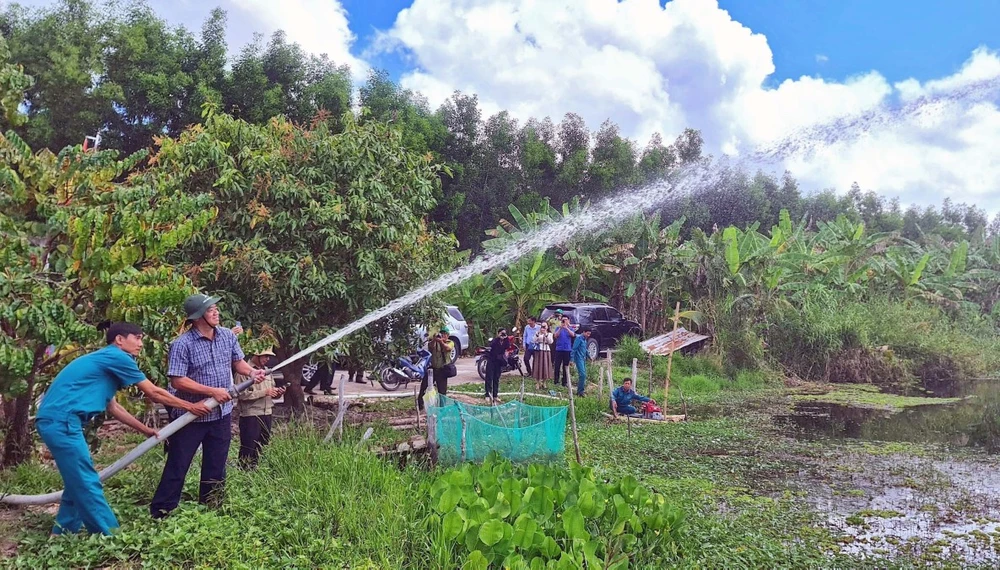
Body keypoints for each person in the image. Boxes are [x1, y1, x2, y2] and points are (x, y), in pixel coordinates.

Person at [35, 322, 212, 536]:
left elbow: (113, 406)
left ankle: (63, 532)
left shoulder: (107, 361)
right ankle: (110, 536)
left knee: (77, 479)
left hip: (60, 421)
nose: (141, 344)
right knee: (86, 480)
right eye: (137, 338)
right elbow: (154, 392)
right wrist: (190, 406)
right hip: (62, 421)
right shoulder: (117, 357)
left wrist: (144, 429)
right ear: (120, 340)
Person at [150, 294, 265, 519]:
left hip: (221, 414)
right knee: (178, 463)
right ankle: (162, 511)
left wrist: (251, 372)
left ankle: (211, 507)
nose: (216, 313)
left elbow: (237, 361)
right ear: (197, 316)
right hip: (191, 415)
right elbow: (178, 380)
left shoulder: (226, 336)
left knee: (217, 463)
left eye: (216, 309)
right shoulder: (182, 344)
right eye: (211, 310)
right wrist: (212, 392)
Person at [236, 348, 284, 469]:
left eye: (269, 356)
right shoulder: (243, 371)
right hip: (251, 415)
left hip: (267, 412)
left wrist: (278, 392)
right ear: (256, 355)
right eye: (265, 356)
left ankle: (257, 470)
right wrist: (265, 392)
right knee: (248, 446)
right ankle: (244, 472)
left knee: (263, 444)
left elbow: (271, 390)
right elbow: (241, 395)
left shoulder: (267, 371)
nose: (267, 359)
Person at [420, 326, 454, 410]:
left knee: (442, 392)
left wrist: (441, 342)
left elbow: (447, 348)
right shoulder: (435, 342)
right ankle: (420, 405)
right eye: (441, 333)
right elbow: (430, 347)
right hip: (433, 369)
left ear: (448, 335)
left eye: (445, 334)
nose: (443, 335)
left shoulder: (450, 342)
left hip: (442, 370)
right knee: (424, 386)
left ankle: (442, 408)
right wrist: (435, 339)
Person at [485, 328, 509, 404]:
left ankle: (495, 395)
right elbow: (492, 345)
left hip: (499, 362)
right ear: (498, 333)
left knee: (496, 379)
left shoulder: (505, 341)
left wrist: (506, 337)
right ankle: (488, 395)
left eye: (504, 333)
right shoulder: (495, 340)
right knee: (489, 378)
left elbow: (508, 346)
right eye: (501, 333)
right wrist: (498, 337)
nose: (502, 335)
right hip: (491, 361)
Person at [552, 316, 576, 387]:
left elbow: (572, 335)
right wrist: (560, 328)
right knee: (557, 366)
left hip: (567, 349)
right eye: (563, 320)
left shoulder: (571, 328)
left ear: (568, 320)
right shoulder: (558, 328)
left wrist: (567, 328)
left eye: (566, 320)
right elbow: (555, 336)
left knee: (565, 366)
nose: (564, 321)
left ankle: (564, 382)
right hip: (559, 349)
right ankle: (556, 381)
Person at [532, 322, 554, 391]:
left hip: (546, 350)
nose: (543, 328)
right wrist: (538, 334)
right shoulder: (537, 333)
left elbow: (550, 342)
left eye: (545, 326)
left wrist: (545, 334)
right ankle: (538, 382)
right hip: (539, 350)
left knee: (545, 366)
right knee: (538, 366)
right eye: (542, 326)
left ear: (547, 327)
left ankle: (544, 382)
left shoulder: (550, 334)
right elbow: (533, 340)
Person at [571, 327, 592, 397]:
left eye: (589, 334)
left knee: (583, 375)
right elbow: (574, 349)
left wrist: (589, 357)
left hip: (583, 358)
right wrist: (571, 360)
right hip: (578, 358)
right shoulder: (579, 339)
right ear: (584, 332)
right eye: (587, 333)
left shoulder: (584, 340)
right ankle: (580, 391)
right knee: (582, 374)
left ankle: (581, 390)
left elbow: (585, 349)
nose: (588, 335)